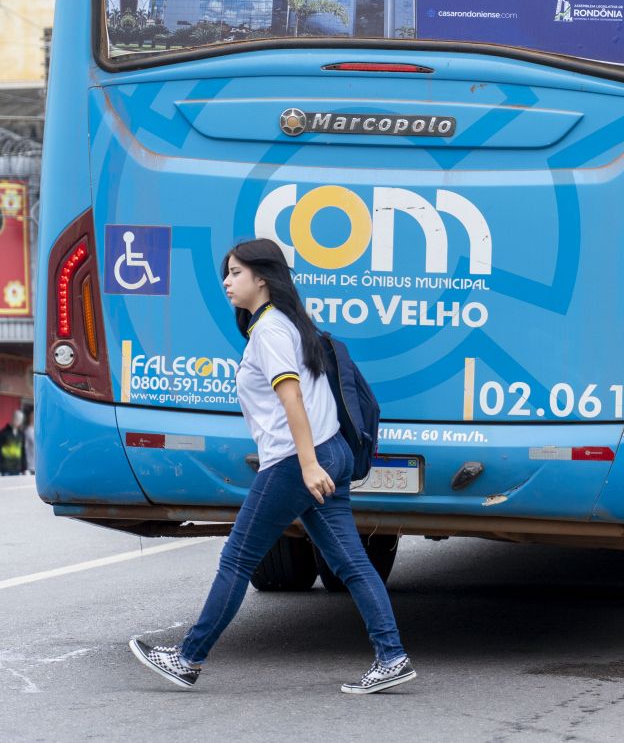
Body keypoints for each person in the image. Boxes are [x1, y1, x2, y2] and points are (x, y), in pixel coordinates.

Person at [129, 238, 415, 695]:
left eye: (236, 273)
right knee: (352, 562)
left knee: (238, 558)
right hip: (332, 452)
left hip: (297, 462)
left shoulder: (270, 332)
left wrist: (304, 465)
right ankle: (392, 656)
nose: (226, 281)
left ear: (262, 278)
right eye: (227, 273)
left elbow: (291, 397)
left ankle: (188, 658)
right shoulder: (289, 324)